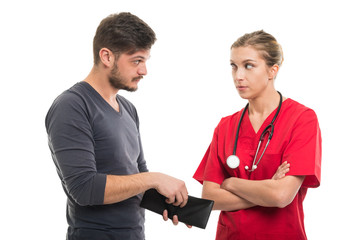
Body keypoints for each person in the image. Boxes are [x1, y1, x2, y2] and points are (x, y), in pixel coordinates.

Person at [45, 12, 189, 240]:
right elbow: (83, 188)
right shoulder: (72, 105)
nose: (144, 71)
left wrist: (171, 202)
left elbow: (137, 174)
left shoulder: (129, 109)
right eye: (136, 61)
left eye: (145, 61)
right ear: (107, 57)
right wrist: (155, 178)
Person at [193, 30, 321, 240]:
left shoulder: (302, 119)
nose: (238, 76)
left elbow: (281, 196)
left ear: (272, 70)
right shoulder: (226, 126)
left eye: (249, 65)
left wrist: (231, 183)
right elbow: (210, 198)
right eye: (233, 66)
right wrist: (268, 187)